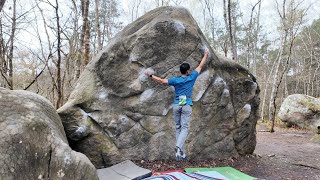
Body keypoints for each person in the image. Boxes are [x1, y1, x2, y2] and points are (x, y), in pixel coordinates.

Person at [145, 48, 209, 161]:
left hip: (176, 105)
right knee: (185, 127)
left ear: (181, 71)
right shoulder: (192, 77)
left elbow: (161, 81)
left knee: (178, 127)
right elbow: (201, 65)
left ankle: (180, 153)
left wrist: (150, 76)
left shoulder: (176, 80)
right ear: (188, 71)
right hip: (186, 105)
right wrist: (206, 54)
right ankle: (178, 147)